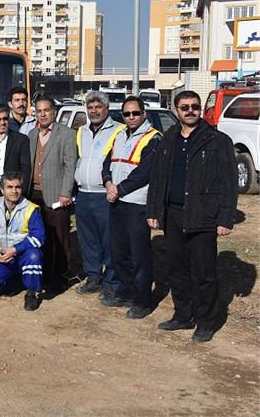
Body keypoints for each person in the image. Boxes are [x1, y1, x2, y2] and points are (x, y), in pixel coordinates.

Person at [147, 91, 238, 343]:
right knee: (177, 268)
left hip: (203, 215)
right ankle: (183, 315)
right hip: (173, 213)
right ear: (176, 109)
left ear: (200, 109)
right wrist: (154, 210)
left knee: (204, 272)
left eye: (195, 106)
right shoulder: (168, 138)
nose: (190, 111)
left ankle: (206, 322)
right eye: (184, 107)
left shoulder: (217, 140)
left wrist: (225, 218)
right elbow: (158, 178)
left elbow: (230, 183)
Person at [102, 96, 161, 318]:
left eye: (135, 113)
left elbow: (145, 172)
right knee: (119, 253)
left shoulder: (153, 138)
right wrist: (108, 182)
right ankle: (126, 292)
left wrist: (119, 189)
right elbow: (107, 163)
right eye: (126, 114)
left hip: (136, 204)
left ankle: (143, 301)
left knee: (139, 255)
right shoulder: (119, 135)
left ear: (143, 114)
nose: (131, 117)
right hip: (117, 201)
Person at [74, 90, 126, 302]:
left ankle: (112, 282)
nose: (94, 111)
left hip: (105, 195)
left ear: (107, 108)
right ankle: (93, 276)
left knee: (109, 241)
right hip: (83, 194)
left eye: (98, 107)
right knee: (88, 240)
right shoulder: (81, 131)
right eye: (90, 107)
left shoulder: (119, 130)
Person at [27, 96, 78, 289]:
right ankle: (46, 274)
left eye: (46, 110)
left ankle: (62, 276)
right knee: (42, 238)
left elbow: (69, 166)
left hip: (57, 196)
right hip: (34, 195)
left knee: (62, 239)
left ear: (53, 112)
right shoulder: (32, 134)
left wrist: (65, 193)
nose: (42, 114)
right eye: (39, 111)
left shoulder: (66, 134)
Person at [0, 172, 45, 311]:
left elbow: (39, 237)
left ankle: (31, 293)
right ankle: (12, 282)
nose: (14, 191)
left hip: (23, 254)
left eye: (17, 187)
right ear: (1, 190)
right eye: (9, 187)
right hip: (2, 255)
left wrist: (15, 249)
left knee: (34, 255)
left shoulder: (31, 208)